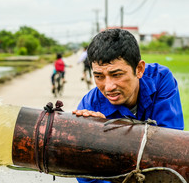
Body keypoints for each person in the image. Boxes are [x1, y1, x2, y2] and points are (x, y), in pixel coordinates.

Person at [72, 29, 184, 183]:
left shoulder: (160, 80)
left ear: (139, 69)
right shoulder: (90, 105)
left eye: (117, 74)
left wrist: (108, 138)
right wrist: (94, 135)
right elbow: (85, 175)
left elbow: (171, 146)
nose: (108, 86)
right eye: (99, 76)